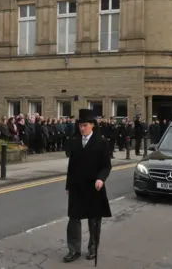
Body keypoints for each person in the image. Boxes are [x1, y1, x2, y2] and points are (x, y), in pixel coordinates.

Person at [63, 108, 112, 263]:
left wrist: (101, 179)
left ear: (92, 125)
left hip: (94, 187)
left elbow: (106, 166)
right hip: (77, 186)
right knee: (74, 219)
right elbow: (71, 165)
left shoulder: (101, 142)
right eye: (80, 125)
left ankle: (92, 248)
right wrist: (68, 185)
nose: (82, 128)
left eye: (85, 125)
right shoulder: (75, 141)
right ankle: (74, 250)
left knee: (93, 220)